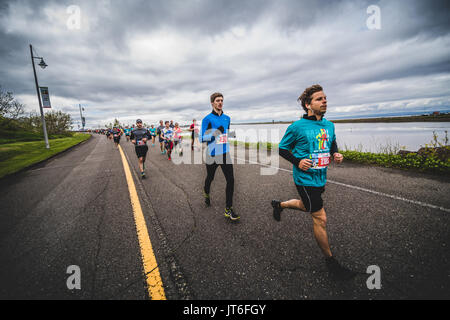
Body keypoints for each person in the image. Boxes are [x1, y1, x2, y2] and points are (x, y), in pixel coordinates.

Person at [271, 84, 356, 280]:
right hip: (304, 179)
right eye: (319, 99)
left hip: (320, 177)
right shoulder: (297, 127)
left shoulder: (329, 125)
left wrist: (335, 152)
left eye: (325, 98)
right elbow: (282, 149)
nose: (324, 101)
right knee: (320, 217)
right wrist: (298, 161)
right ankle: (332, 264)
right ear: (308, 105)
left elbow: (332, 140)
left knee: (306, 206)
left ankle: (280, 205)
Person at [201, 92, 239, 221]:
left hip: (224, 153)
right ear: (212, 103)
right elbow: (202, 137)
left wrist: (229, 134)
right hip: (212, 154)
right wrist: (216, 134)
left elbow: (225, 134)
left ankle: (228, 209)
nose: (220, 102)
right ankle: (206, 192)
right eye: (217, 100)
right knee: (210, 178)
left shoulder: (227, 118)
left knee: (231, 180)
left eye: (222, 100)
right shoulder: (207, 119)